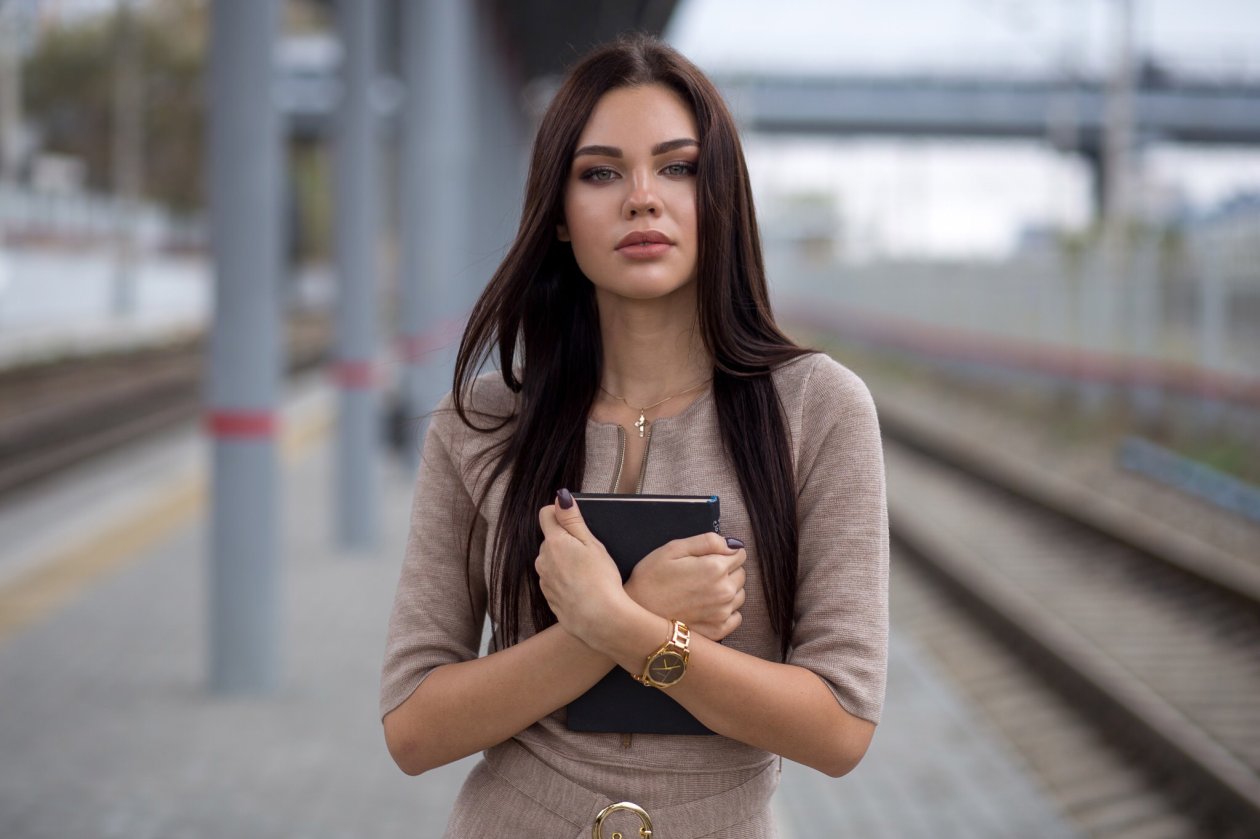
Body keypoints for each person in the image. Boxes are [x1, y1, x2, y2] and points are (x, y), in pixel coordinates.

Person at [380, 33, 888, 838]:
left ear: (719, 194)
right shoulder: (480, 423)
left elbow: (839, 725)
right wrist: (621, 616)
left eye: (678, 167)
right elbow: (413, 726)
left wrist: (625, 625)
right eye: (601, 172)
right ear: (557, 214)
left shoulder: (819, 409)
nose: (642, 198)